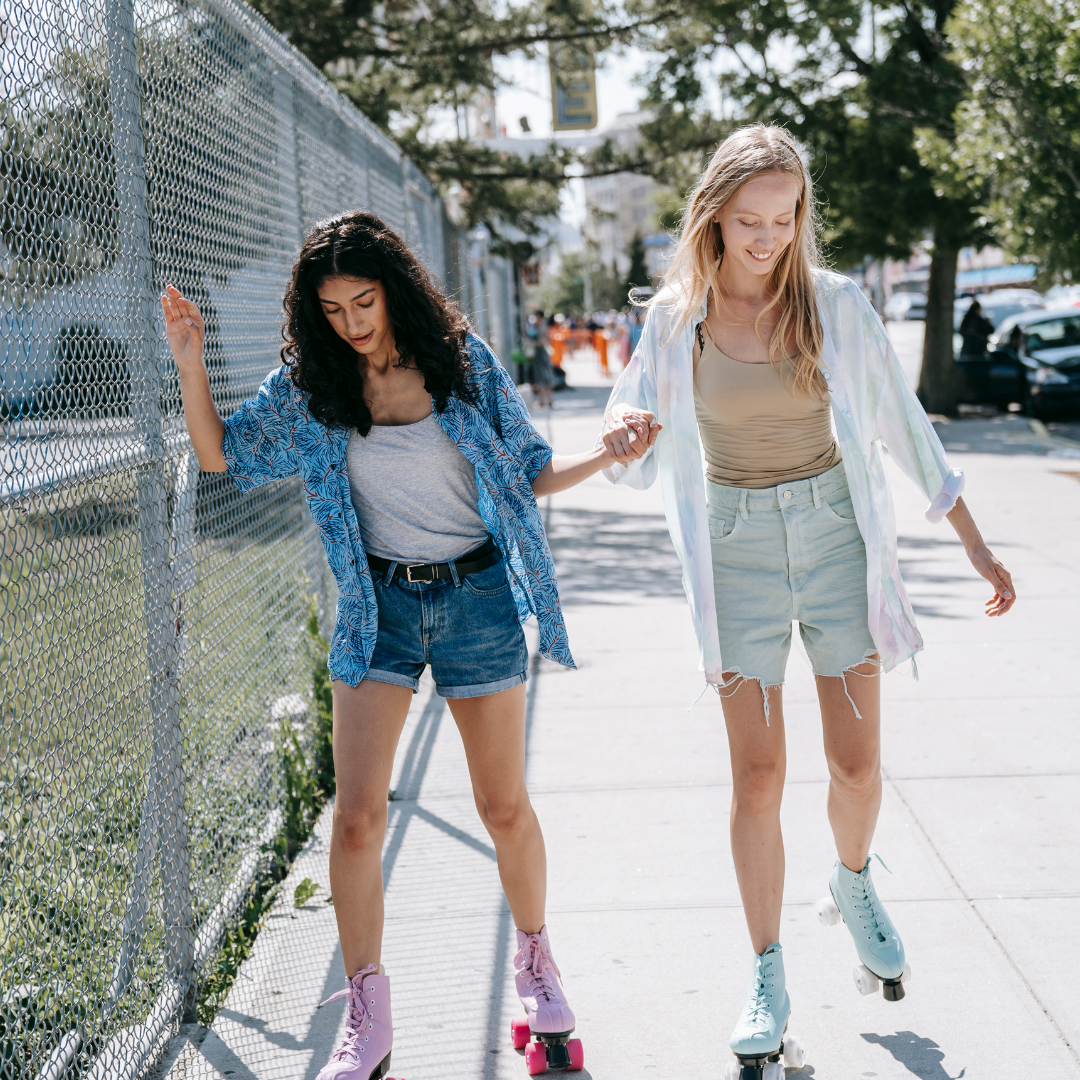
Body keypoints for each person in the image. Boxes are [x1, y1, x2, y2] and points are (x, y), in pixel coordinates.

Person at [162, 210, 657, 1080]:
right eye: (332, 310)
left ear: (394, 289)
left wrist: (606, 454)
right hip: (376, 608)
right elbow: (219, 457)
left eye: (364, 302)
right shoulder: (312, 386)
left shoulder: (461, 363)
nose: (352, 323)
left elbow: (529, 471)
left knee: (503, 807)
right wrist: (190, 360)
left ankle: (537, 965)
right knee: (356, 818)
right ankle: (368, 1012)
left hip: (476, 600)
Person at [600, 125, 1014, 1075]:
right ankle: (766, 977)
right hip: (735, 547)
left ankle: (853, 879)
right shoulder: (677, 319)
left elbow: (903, 424)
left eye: (785, 218)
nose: (768, 238)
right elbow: (630, 422)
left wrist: (975, 543)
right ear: (714, 216)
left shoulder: (833, 305)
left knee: (855, 767)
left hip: (834, 539)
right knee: (757, 778)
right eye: (750, 220)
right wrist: (624, 430)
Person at [529, 309, 554, 408]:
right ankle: (546, 400)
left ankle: (543, 401)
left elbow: (542, 341)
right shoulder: (538, 327)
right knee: (543, 378)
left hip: (541, 354)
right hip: (541, 354)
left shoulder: (540, 327)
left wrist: (531, 344)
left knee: (542, 378)